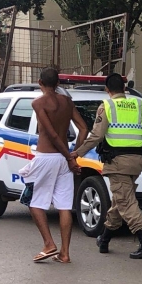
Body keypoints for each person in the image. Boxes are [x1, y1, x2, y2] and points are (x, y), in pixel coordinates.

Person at [72, 73, 142, 259]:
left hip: (117, 163)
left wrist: (77, 153)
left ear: (107, 90)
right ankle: (104, 238)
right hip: (135, 163)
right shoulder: (139, 105)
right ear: (125, 89)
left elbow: (96, 136)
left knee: (126, 203)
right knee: (120, 201)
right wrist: (139, 155)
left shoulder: (107, 106)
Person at [23, 67, 88, 263]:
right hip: (63, 160)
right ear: (58, 83)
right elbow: (83, 129)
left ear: (40, 82)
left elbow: (51, 134)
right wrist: (73, 154)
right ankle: (65, 253)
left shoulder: (38, 102)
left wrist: (69, 157)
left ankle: (49, 244)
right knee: (64, 206)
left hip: (47, 157)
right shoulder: (67, 102)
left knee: (33, 202)